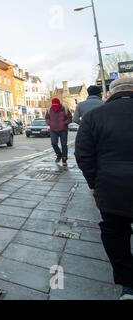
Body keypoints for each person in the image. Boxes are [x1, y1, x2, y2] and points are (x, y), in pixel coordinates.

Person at [75, 77, 133, 301]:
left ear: (110, 94)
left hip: (111, 190)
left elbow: (83, 155)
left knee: (115, 235)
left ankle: (128, 285)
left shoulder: (93, 117)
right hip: (110, 186)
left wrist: (96, 183)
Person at [46, 98, 73, 166]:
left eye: (56, 104)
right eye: (54, 104)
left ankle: (64, 159)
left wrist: (64, 123)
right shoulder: (49, 110)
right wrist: (50, 123)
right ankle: (59, 154)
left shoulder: (65, 109)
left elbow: (70, 118)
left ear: (59, 103)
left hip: (63, 130)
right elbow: (47, 117)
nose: (55, 106)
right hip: (53, 130)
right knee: (54, 143)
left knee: (64, 144)